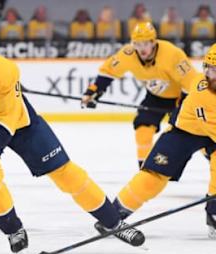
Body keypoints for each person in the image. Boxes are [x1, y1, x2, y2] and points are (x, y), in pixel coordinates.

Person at [0, 24, 145, 254]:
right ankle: (13, 230)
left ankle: (114, 222)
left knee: (65, 173)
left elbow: (5, 124)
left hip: (19, 124)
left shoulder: (5, 71)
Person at [104, 43, 216, 240]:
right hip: (184, 131)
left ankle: (214, 214)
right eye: (209, 68)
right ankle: (113, 215)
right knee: (154, 175)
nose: (210, 74)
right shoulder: (203, 92)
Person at [81, 22, 197, 167]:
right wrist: (92, 91)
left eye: (145, 44)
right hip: (155, 98)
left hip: (182, 98)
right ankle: (145, 170)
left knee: (197, 134)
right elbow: (108, 72)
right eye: (137, 44)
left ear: (153, 42)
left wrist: (182, 108)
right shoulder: (127, 54)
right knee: (142, 130)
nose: (141, 49)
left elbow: (191, 83)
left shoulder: (172, 54)